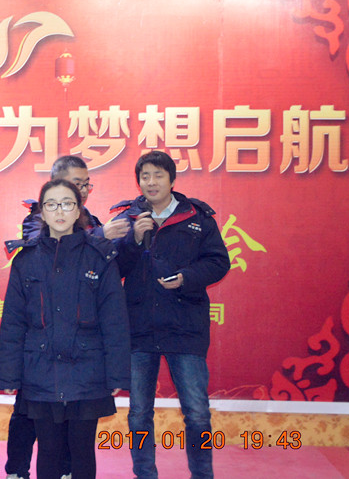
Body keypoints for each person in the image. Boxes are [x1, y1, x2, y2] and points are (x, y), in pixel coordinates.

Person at [0, 179, 131, 479]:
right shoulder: (26, 260)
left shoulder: (100, 256)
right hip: (40, 371)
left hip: (87, 370)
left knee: (82, 450)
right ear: (42, 212)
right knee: (48, 450)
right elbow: (14, 323)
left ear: (79, 209)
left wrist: (116, 374)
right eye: (52, 204)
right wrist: (9, 375)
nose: (60, 211)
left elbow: (114, 321)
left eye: (67, 204)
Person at [111, 151, 230, 479]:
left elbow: (219, 262)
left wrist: (186, 278)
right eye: (145, 176)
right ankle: (144, 473)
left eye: (158, 175)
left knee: (197, 413)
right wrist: (133, 240)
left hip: (185, 328)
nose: (151, 182)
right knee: (139, 414)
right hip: (140, 329)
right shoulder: (127, 219)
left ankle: (202, 474)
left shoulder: (197, 217)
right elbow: (112, 268)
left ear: (172, 180)